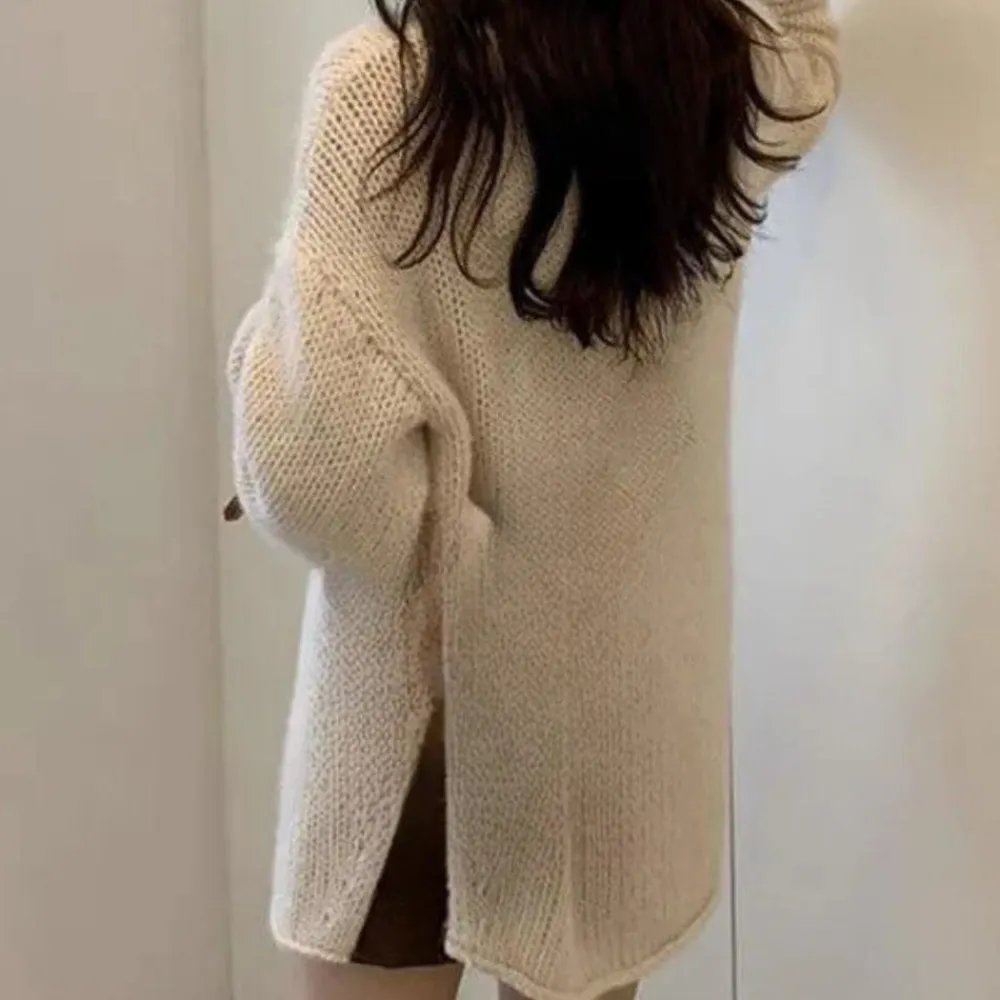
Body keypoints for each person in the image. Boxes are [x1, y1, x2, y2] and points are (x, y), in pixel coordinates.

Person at [226, 1, 839, 998]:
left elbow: (309, 471)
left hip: (421, 703)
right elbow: (808, 40)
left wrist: (436, 535)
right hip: (615, 716)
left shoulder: (383, 92)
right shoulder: (723, 74)